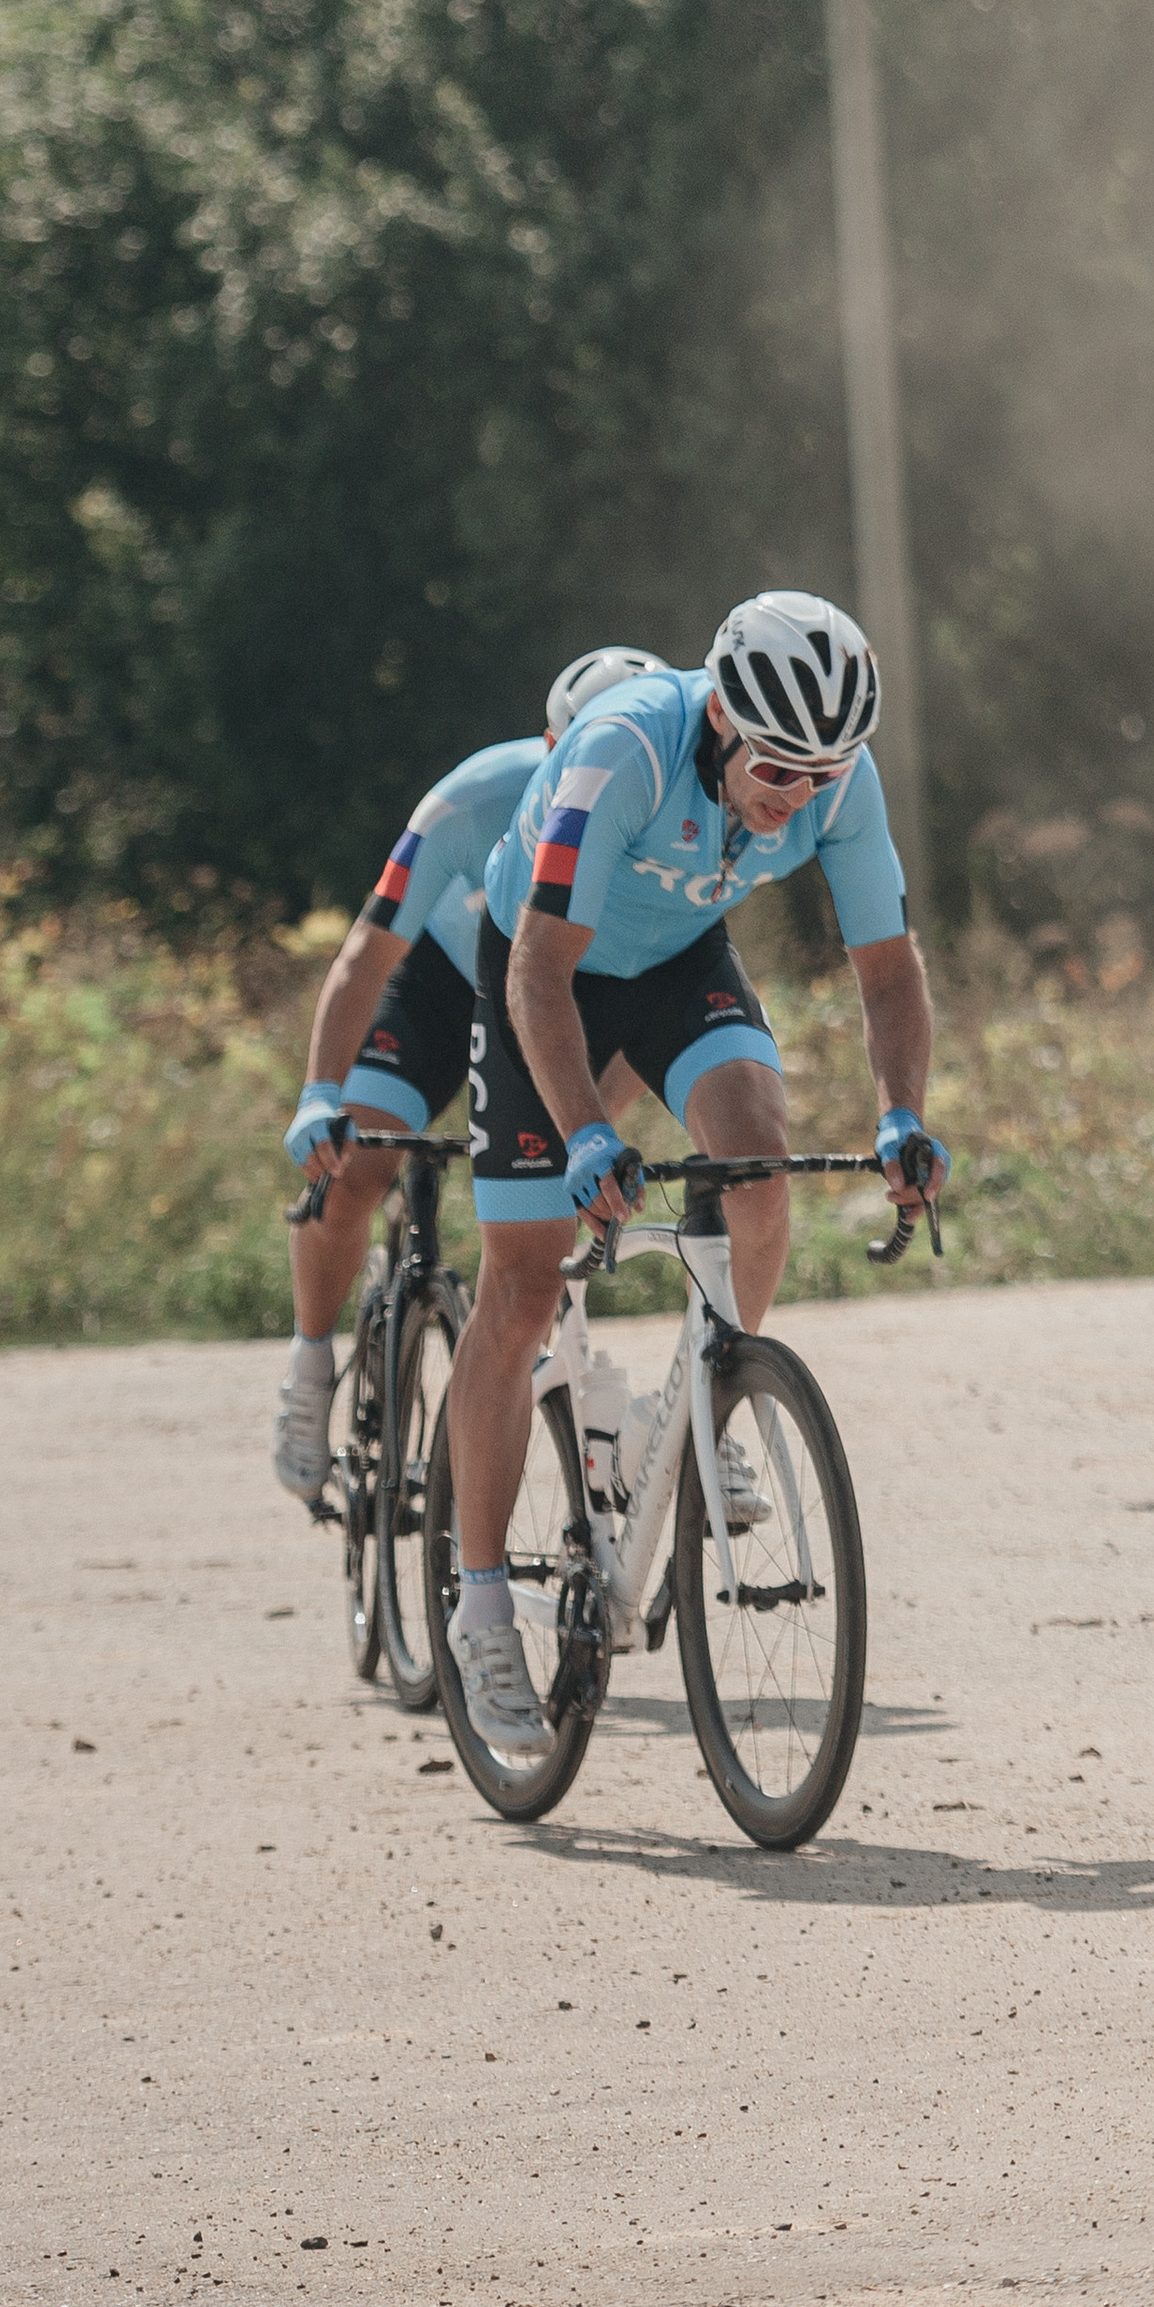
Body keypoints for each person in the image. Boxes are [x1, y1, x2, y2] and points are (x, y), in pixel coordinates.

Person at [440, 592, 947, 1752]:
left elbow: (888, 970)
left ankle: (702, 1399)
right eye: (778, 767)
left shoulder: (837, 780)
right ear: (720, 717)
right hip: (541, 971)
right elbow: (537, 975)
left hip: (677, 964)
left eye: (823, 772)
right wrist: (584, 1133)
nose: (798, 794)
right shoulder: (622, 750)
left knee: (757, 1161)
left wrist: (902, 1117)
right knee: (521, 1283)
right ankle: (481, 1607)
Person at [271, 648, 665, 1500]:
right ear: (549, 746)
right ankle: (309, 1363)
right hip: (443, 990)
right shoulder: (476, 795)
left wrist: (580, 1129)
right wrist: (320, 1094)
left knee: (540, 1243)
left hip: (558, 1002)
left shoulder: (666, 822)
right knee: (357, 1167)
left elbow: (653, 1024)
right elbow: (366, 954)